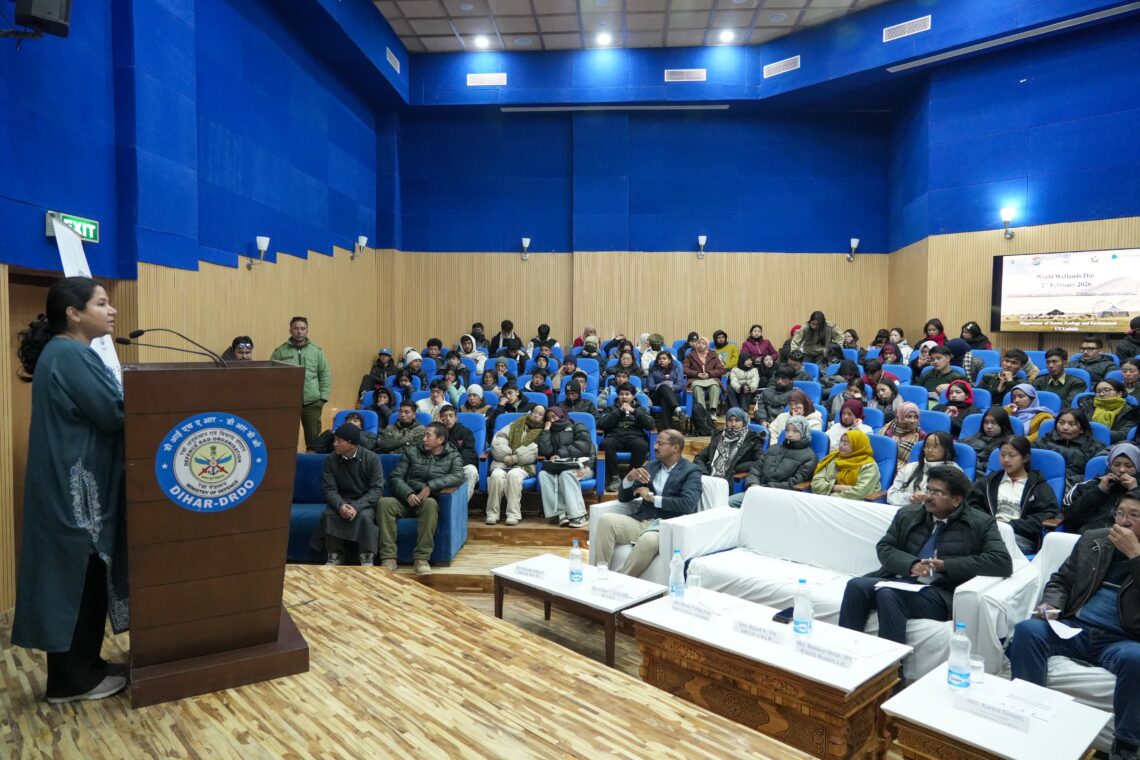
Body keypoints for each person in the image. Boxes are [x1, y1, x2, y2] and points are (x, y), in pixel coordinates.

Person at [12, 277, 129, 703]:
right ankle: (71, 680)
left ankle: (88, 666)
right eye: (102, 303)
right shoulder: (70, 353)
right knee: (77, 581)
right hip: (77, 489)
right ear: (74, 313)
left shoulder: (66, 353)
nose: (111, 310)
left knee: (86, 578)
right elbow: (114, 414)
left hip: (76, 484)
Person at [1006, 488, 1140, 760]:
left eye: (1134, 516)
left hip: (1122, 639)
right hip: (1076, 628)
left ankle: (1125, 748)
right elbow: (1062, 581)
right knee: (1027, 630)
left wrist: (1135, 556)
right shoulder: (1094, 540)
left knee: (1137, 659)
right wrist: (1051, 603)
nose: (1123, 522)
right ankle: (1024, 714)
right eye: (1121, 513)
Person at [838, 466, 1012, 645]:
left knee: (888, 594)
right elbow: (885, 547)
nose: (928, 496)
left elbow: (1001, 562)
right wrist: (911, 564)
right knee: (856, 585)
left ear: (956, 500)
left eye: (937, 492)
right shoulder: (909, 514)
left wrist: (946, 566)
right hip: (901, 580)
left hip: (941, 592)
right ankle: (846, 650)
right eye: (928, 489)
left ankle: (892, 667)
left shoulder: (980, 523)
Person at [593, 430, 702, 577]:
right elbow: (624, 498)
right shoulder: (651, 466)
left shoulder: (691, 471)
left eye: (660, 443)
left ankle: (622, 580)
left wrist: (652, 498)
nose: (655, 446)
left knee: (648, 539)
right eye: (655, 442)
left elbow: (687, 504)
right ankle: (600, 574)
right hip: (643, 520)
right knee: (606, 520)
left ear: (675, 448)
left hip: (665, 526)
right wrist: (629, 478)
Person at [377, 422, 465, 576]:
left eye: (428, 435)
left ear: (440, 439)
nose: (423, 439)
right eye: (424, 435)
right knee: (384, 503)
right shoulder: (412, 452)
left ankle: (421, 559)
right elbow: (396, 477)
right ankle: (388, 557)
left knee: (430, 504)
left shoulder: (453, 455)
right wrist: (408, 493)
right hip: (406, 499)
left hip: (428, 501)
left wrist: (430, 486)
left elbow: (458, 476)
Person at [965, 436, 1058, 554]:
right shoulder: (989, 482)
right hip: (988, 531)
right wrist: (989, 523)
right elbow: (972, 505)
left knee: (988, 547)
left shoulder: (1037, 485)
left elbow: (1046, 514)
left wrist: (1011, 526)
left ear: (1025, 458)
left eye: (1011, 455)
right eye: (1002, 455)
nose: (1006, 460)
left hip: (1019, 536)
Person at [311, 423, 384, 566]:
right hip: (341, 500)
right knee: (329, 515)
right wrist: (341, 505)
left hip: (364, 502)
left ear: (351, 443)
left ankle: (366, 555)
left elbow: (376, 489)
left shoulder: (372, 458)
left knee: (365, 517)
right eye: (334, 440)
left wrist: (356, 507)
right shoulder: (331, 459)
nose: (334, 444)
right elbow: (329, 489)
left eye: (339, 441)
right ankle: (335, 555)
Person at [728, 416, 819, 506]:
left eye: (795, 431)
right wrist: (753, 484)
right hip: (756, 492)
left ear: (804, 432)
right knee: (726, 503)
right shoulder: (774, 448)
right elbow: (756, 468)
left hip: (782, 499)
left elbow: (793, 483)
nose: (789, 434)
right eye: (787, 430)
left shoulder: (810, 457)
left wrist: (764, 489)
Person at [270, 316, 331, 448]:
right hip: (288, 403)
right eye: (296, 328)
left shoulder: (316, 351)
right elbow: (272, 378)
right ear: (290, 330)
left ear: (307, 331)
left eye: (303, 329)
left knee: (314, 441)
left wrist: (323, 398)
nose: (299, 331)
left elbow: (324, 374)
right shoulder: (280, 352)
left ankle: (312, 467)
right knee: (287, 440)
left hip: (312, 403)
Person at [486, 404, 546, 526]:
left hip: (524, 466)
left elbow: (536, 450)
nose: (536, 415)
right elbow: (499, 439)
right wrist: (505, 455)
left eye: (540, 414)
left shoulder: (543, 432)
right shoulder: (516, 423)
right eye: (534, 411)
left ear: (544, 418)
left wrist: (515, 458)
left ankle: (513, 514)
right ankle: (492, 513)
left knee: (513, 475)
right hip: (503, 462)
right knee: (496, 475)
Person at [537, 406, 596, 529]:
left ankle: (580, 515)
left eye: (554, 417)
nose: (552, 421)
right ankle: (560, 513)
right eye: (549, 419)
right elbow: (545, 450)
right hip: (561, 467)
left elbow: (583, 446)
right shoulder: (551, 432)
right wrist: (546, 430)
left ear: (562, 415)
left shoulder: (577, 427)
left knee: (566, 475)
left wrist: (560, 454)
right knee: (543, 474)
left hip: (583, 466)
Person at [1064, 443, 1140, 534]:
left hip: (1126, 542)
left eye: (1128, 466)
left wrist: (1135, 491)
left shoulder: (1137, 489)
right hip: (1086, 538)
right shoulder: (1091, 485)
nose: (1122, 470)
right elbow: (1069, 519)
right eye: (1116, 464)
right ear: (1109, 465)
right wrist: (1099, 491)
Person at [600, 382, 656, 492]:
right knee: (606, 444)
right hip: (615, 437)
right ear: (617, 396)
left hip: (635, 437)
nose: (624, 397)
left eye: (627, 394)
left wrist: (634, 411)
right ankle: (615, 478)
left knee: (642, 445)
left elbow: (650, 425)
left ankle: (631, 477)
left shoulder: (641, 409)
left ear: (633, 396)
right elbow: (603, 424)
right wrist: (619, 412)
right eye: (621, 394)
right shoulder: (611, 409)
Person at [1034, 408, 1103, 490]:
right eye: (1061, 423)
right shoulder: (1044, 441)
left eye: (1072, 424)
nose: (1065, 427)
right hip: (1042, 484)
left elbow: (1093, 476)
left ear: (1082, 429)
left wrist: (1069, 482)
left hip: (1074, 487)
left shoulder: (1093, 447)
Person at [887, 432, 962, 507]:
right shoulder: (909, 467)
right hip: (902, 511)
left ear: (946, 449)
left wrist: (927, 499)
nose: (929, 450)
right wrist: (911, 498)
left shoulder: (955, 473)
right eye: (926, 446)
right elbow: (891, 495)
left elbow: (956, 501)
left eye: (935, 447)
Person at [692, 408, 764, 483]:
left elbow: (759, 462)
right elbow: (699, 457)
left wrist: (738, 467)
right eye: (730, 420)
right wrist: (704, 473)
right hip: (710, 478)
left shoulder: (752, 439)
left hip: (731, 480)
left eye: (737, 420)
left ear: (744, 422)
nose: (733, 424)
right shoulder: (719, 437)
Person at [811, 429, 881, 500]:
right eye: (841, 441)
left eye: (846, 443)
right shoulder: (833, 459)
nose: (841, 446)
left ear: (857, 445)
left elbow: (860, 492)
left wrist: (830, 496)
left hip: (853, 505)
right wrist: (837, 487)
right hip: (826, 500)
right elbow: (816, 484)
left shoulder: (869, 465)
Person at [961, 406, 1015, 479]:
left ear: (1003, 424)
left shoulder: (1008, 445)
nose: (989, 427)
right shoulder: (969, 439)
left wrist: (972, 463)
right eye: (986, 422)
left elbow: (994, 466)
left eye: (993, 423)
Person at [1080, 379, 1140, 444]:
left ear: (1119, 394)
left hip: (1113, 446)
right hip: (1084, 442)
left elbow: (1125, 434)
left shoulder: (1129, 411)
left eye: (1106, 390)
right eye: (1098, 391)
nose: (1102, 394)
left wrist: (1099, 432)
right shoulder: (1088, 406)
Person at [439, 405, 479, 498]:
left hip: (460, 467)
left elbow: (469, 454)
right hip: (440, 468)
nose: (448, 419)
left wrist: (453, 466)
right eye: (444, 416)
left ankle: (460, 507)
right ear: (440, 418)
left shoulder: (465, 432)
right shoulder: (436, 432)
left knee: (471, 471)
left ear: (456, 418)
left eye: (451, 415)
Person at [683, 336, 726, 418]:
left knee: (715, 386)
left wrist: (709, 374)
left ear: (707, 345)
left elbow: (721, 370)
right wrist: (697, 374)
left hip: (710, 379)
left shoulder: (713, 355)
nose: (700, 345)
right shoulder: (690, 355)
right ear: (696, 344)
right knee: (697, 387)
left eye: (703, 343)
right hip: (696, 379)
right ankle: (702, 411)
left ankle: (713, 411)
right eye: (698, 343)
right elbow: (684, 369)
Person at [880, 402, 926, 473]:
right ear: (900, 416)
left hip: (908, 472)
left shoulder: (921, 436)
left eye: (916, 417)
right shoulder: (888, 431)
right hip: (884, 469)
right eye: (908, 417)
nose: (912, 421)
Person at [646, 349, 685, 427]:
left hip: (672, 396)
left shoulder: (677, 369)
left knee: (664, 399)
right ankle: (677, 410)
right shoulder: (653, 370)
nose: (661, 360)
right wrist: (660, 386)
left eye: (664, 358)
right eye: (659, 359)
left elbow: (680, 385)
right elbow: (650, 386)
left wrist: (671, 388)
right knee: (663, 387)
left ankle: (667, 427)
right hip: (655, 396)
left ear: (670, 360)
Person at [309, 411, 378, 454]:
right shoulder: (336, 434)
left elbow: (369, 446)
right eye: (349, 420)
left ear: (361, 426)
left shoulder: (369, 434)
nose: (351, 422)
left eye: (355, 421)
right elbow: (315, 447)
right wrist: (329, 433)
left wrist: (352, 432)